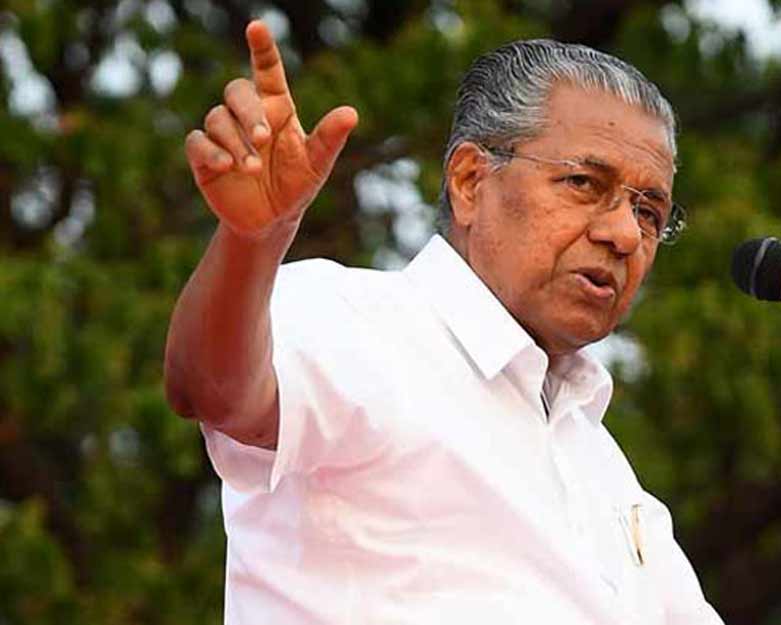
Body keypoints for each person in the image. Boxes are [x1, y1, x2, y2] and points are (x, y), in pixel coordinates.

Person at [165, 19, 723, 625]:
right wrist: (252, 240)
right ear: (470, 181)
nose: (624, 234)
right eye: (584, 183)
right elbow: (215, 390)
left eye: (649, 212)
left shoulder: (606, 471)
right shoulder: (358, 322)